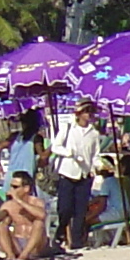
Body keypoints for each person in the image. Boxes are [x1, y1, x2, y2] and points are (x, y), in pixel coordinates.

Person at [48, 101, 103, 250]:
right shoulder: (68, 128)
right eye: (86, 111)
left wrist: (98, 165)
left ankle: (77, 241)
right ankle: (60, 233)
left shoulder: (93, 133)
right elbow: (55, 147)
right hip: (67, 173)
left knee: (80, 210)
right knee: (65, 208)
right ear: (79, 113)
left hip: (84, 175)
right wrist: (69, 153)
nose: (88, 115)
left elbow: (95, 155)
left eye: (91, 112)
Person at [0, 171, 52, 260]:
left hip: (35, 244)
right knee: (1, 225)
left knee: (38, 223)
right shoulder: (8, 205)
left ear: (26, 188)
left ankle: (24, 255)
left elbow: (42, 215)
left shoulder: (36, 202)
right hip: (18, 242)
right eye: (11, 186)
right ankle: (10, 255)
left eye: (15, 187)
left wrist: (19, 201)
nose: (12, 190)